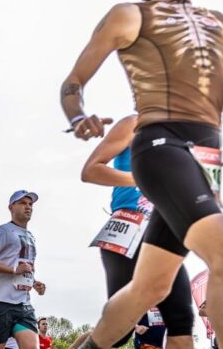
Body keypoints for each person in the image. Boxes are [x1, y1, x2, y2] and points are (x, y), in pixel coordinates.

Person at [60, 0, 223, 349]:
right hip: (159, 146)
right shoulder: (130, 14)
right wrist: (79, 117)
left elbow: (205, 101)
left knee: (149, 289)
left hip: (206, 158)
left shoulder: (215, 22)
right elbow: (73, 81)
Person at [82, 115, 195, 348]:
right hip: (129, 227)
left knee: (181, 320)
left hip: (162, 234)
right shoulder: (133, 125)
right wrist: (139, 178)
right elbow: (91, 170)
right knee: (119, 330)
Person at [0, 190, 46, 349]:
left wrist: (34, 283)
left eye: (30, 204)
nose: (28, 207)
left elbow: (24, 267)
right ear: (11, 207)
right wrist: (14, 270)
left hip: (23, 304)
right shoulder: (3, 231)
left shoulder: (31, 236)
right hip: (0, 302)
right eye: (23, 203)